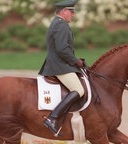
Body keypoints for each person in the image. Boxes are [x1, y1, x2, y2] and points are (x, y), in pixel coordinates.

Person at [38, 0, 85, 136]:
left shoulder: (57, 23)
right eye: (71, 12)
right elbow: (62, 50)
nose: (73, 15)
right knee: (78, 90)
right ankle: (53, 118)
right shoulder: (61, 25)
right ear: (64, 11)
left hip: (60, 63)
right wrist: (75, 61)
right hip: (60, 66)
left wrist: (77, 61)